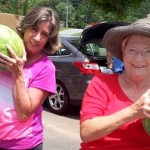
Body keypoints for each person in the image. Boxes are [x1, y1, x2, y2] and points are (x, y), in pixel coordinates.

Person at [80, 16, 150, 149]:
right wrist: (134, 111)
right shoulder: (102, 83)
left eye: (148, 51)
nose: (138, 58)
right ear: (123, 53)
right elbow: (86, 132)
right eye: (132, 50)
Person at [0, 6, 60, 149]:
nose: (37, 38)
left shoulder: (46, 68)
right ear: (25, 28)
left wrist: (18, 73)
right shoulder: (4, 55)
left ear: (49, 39)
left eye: (44, 34)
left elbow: (23, 114)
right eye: (34, 29)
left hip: (21, 144)